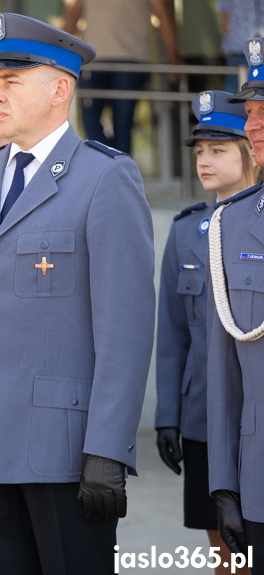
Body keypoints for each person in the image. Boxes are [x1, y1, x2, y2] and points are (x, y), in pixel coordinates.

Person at [0, 13, 155, 574]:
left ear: (60, 89)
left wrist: (108, 447)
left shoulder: (103, 178)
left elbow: (124, 331)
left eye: (12, 81)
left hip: (64, 452)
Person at [157, 90, 256, 575]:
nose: (205, 161)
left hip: (253, 418)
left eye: (218, 150)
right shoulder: (184, 231)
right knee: (225, 556)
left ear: (249, 151)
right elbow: (173, 334)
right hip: (203, 420)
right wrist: (167, 416)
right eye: (200, 151)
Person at [207, 36, 264, 570]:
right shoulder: (230, 223)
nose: (254, 125)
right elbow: (223, 370)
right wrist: (224, 482)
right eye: (250, 112)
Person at [62, 0, 182, 154]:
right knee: (90, 122)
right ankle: (112, 169)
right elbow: (73, 14)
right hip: (93, 61)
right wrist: (57, 54)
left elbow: (162, 13)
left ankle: (116, 172)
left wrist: (173, 56)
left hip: (132, 60)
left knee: (122, 125)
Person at [216, 1, 264, 93]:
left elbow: (224, 19)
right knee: (233, 91)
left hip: (242, 48)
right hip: (237, 50)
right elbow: (224, 19)